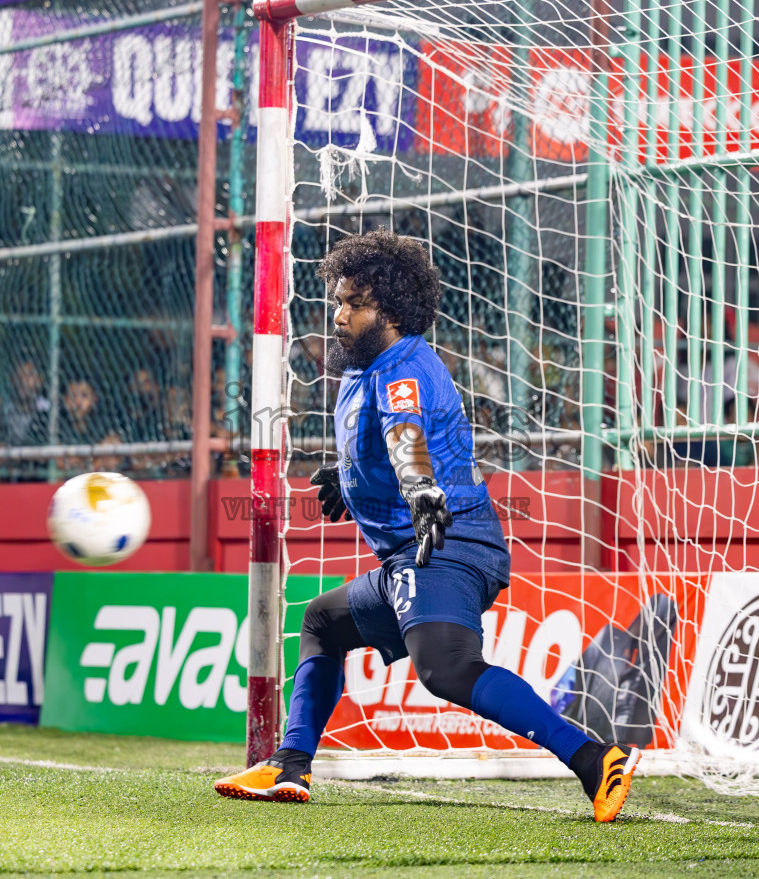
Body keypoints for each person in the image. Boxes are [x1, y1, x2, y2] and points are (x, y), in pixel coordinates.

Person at [213, 229, 638, 823]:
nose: (338, 316)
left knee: (446, 668)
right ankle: (289, 763)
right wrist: (350, 476)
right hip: (411, 554)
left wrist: (415, 487)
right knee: (323, 623)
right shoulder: (362, 368)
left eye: (353, 305)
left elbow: (404, 430)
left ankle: (594, 758)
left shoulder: (403, 364)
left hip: (445, 542)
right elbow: (383, 436)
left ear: (389, 313)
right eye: (337, 302)